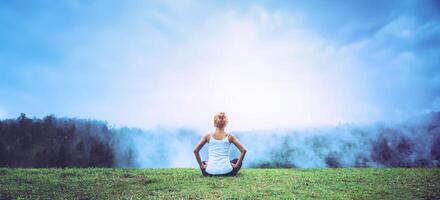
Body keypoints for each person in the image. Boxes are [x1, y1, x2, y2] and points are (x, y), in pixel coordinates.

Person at [193, 112, 247, 176]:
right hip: (228, 172)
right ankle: (227, 165)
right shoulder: (230, 137)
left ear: (214, 123)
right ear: (226, 124)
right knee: (236, 160)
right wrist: (236, 165)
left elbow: (195, 151)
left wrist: (202, 166)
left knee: (203, 162)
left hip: (209, 173)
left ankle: (210, 165)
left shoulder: (207, 136)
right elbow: (243, 150)